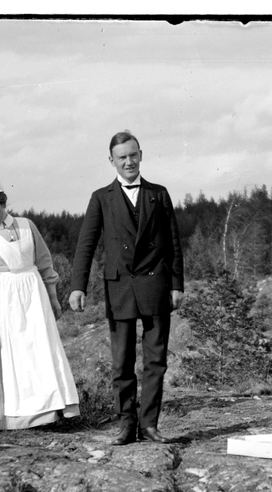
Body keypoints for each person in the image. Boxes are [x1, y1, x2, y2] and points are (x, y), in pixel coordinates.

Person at [69, 131, 185, 446]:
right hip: (119, 288)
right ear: (112, 161)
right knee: (121, 363)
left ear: (141, 155)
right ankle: (125, 426)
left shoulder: (159, 194)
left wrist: (176, 284)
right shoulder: (101, 197)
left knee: (155, 361)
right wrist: (78, 286)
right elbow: (86, 244)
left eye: (133, 155)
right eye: (122, 157)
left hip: (155, 286)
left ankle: (149, 426)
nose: (129, 162)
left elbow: (173, 242)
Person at [0, 177, 80, 430]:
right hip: (7, 301)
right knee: (17, 353)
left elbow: (43, 261)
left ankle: (54, 408)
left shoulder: (26, 225)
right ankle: (27, 415)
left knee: (42, 346)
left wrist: (53, 297)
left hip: (35, 293)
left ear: (4, 204)